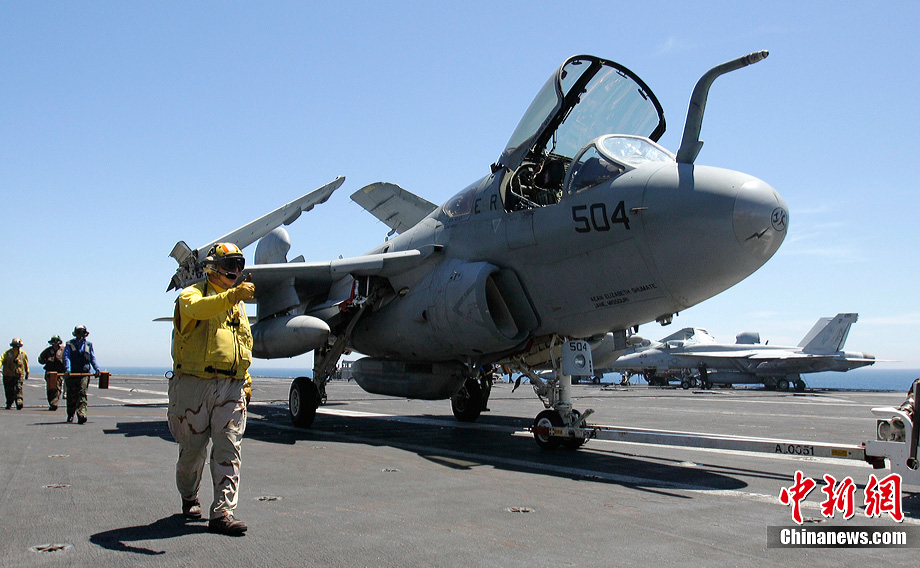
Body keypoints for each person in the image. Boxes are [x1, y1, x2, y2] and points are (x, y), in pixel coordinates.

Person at [168, 242, 255, 536]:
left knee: (229, 447)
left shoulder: (237, 304)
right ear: (213, 268)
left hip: (231, 387)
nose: (236, 271)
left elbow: (243, 343)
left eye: (239, 265)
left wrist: (246, 379)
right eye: (230, 265)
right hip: (194, 386)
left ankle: (222, 513)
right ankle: (189, 496)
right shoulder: (192, 295)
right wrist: (232, 296)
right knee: (192, 453)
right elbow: (198, 310)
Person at [63, 325, 102, 424]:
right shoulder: (69, 344)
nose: (81, 335)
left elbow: (92, 358)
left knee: (82, 393)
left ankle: (81, 414)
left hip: (84, 373)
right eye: (79, 332)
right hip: (72, 374)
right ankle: (70, 414)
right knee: (71, 395)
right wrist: (68, 369)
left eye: (82, 332)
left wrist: (97, 369)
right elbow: (66, 357)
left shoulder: (88, 345)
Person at [38, 335, 66, 411]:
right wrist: (46, 361)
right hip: (49, 373)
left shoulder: (63, 350)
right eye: (54, 342)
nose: (55, 343)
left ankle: (54, 403)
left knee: (58, 388)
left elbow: (67, 359)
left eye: (56, 341)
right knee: (50, 389)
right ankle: (51, 402)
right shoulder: (47, 351)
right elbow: (40, 359)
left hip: (59, 373)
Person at [2, 339, 29, 410]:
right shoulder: (7, 353)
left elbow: (25, 363)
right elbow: (1, 360)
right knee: (8, 390)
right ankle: (9, 403)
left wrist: (27, 372)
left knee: (18, 388)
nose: (16, 347)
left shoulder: (23, 354)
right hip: (8, 375)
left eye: (17, 346)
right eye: (14, 346)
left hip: (18, 374)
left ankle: (19, 402)